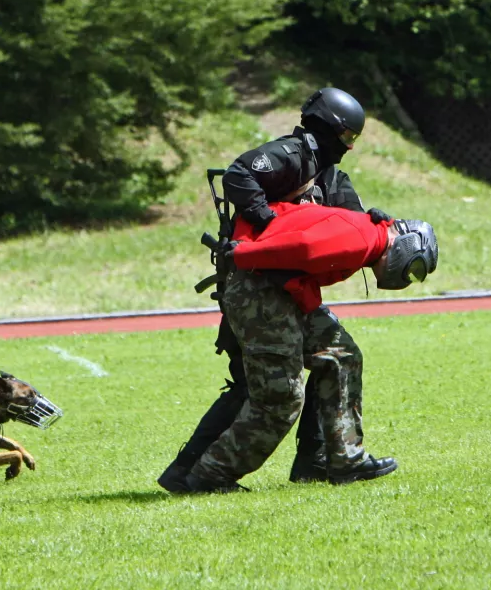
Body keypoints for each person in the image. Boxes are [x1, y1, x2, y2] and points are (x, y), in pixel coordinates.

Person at [159, 87, 397, 491]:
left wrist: (373, 224)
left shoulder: (329, 174)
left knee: (337, 356)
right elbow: (240, 174)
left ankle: (323, 460)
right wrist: (269, 226)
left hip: (291, 290)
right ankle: (193, 473)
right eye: (348, 138)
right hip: (257, 288)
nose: (350, 148)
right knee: (260, 390)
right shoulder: (293, 154)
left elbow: (346, 219)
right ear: (331, 129)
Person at [179, 202, 438, 493]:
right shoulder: (365, 238)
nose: (407, 276)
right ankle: (209, 476)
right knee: (281, 397)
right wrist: (243, 252)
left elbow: (291, 225)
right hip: (260, 293)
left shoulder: (367, 235)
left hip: (279, 290)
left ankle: (346, 459)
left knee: (343, 356)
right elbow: (303, 246)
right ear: (408, 244)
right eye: (414, 268)